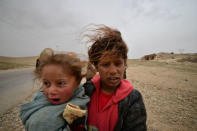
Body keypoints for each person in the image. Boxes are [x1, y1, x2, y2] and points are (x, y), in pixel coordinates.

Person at [83, 25, 147, 131]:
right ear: (97, 66)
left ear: (125, 64)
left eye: (118, 64)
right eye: (106, 64)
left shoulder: (133, 99)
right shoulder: (86, 91)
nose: (113, 71)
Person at [20, 48, 89, 131]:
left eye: (60, 83)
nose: (51, 91)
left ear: (77, 82)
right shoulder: (39, 98)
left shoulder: (77, 107)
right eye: (46, 83)